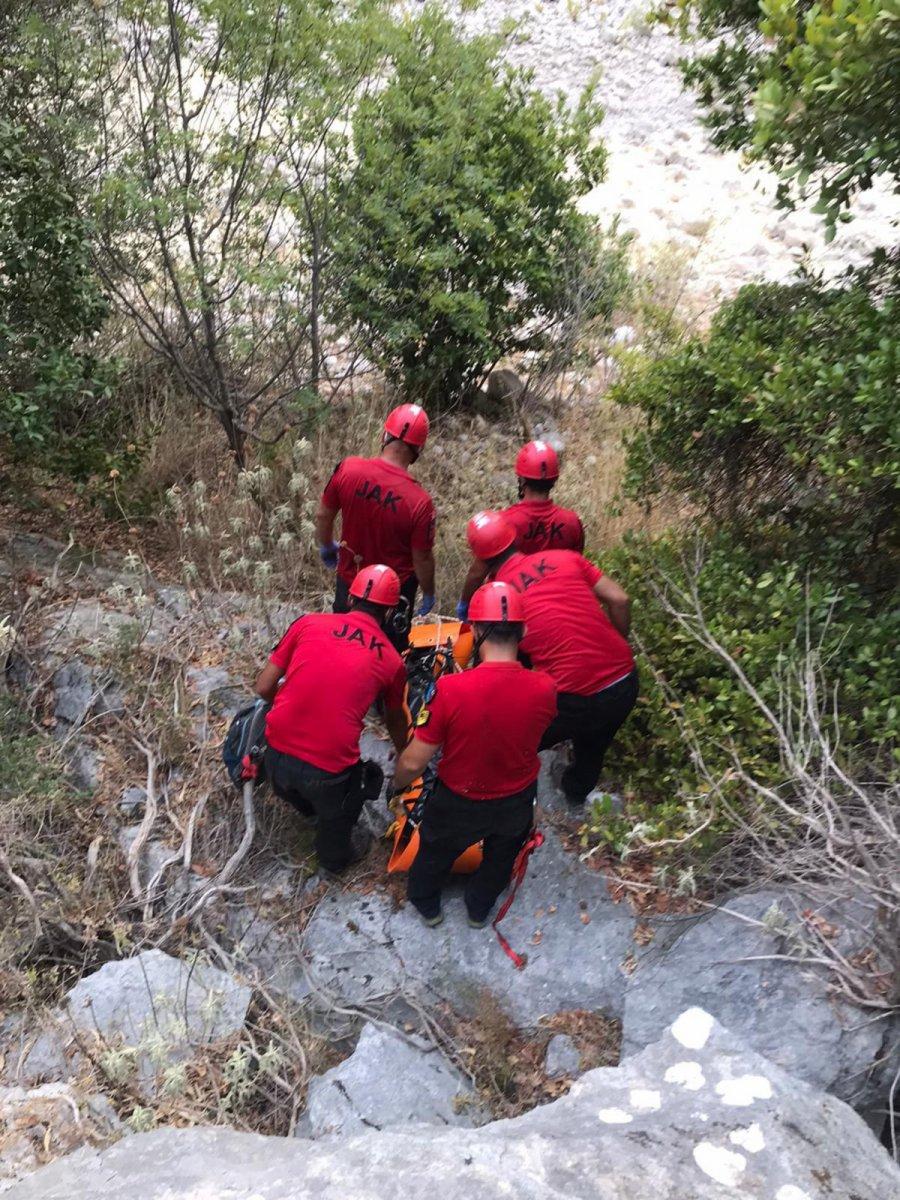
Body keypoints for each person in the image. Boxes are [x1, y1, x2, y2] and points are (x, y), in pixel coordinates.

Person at [393, 581, 557, 928]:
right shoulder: (546, 688)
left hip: (458, 799)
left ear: (477, 629)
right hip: (515, 799)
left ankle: (428, 906)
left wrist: (397, 784)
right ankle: (478, 910)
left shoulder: (451, 690)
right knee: (501, 859)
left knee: (435, 852)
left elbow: (413, 761)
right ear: (524, 629)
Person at [465, 510, 637, 807]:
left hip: (571, 698)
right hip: (624, 680)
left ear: (480, 561)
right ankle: (574, 794)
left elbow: (497, 665)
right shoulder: (565, 558)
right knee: (594, 745)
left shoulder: (501, 599)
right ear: (514, 539)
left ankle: (501, 796)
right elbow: (620, 599)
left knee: (518, 741)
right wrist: (616, 644)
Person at [255, 564, 410, 874]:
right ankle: (333, 853)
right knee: (343, 816)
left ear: (350, 600)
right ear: (391, 613)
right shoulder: (391, 661)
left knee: (302, 786)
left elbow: (262, 687)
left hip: (274, 760)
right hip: (328, 775)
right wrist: (405, 752)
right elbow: (395, 720)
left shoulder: (308, 623)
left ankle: (306, 808)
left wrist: (287, 706)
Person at [315, 403, 436, 652]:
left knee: (343, 646)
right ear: (418, 450)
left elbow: (323, 515)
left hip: (350, 580)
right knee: (387, 655)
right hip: (394, 597)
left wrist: (326, 545)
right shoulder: (420, 502)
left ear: (385, 435)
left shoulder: (349, 469)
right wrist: (429, 591)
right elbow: (422, 558)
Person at [456, 440, 584, 620]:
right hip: (558, 610)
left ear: (522, 480)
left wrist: (465, 603)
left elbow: (477, 573)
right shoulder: (571, 522)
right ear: (554, 480)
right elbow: (576, 568)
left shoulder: (504, 522)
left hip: (510, 612)